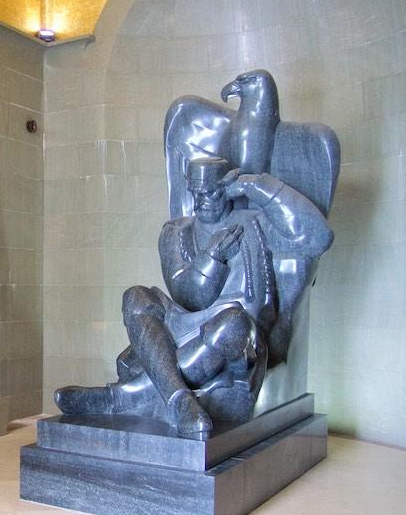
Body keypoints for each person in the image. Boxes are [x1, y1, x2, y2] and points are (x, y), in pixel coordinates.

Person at [55, 156, 333, 437]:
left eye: (209, 192)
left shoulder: (256, 224)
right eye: (195, 193)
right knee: (136, 296)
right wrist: (212, 257)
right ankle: (180, 400)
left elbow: (318, 237)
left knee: (233, 325)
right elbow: (187, 296)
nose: (201, 201)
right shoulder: (176, 232)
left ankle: (121, 397)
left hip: (236, 332)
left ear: (227, 187)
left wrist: (255, 185)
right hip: (185, 323)